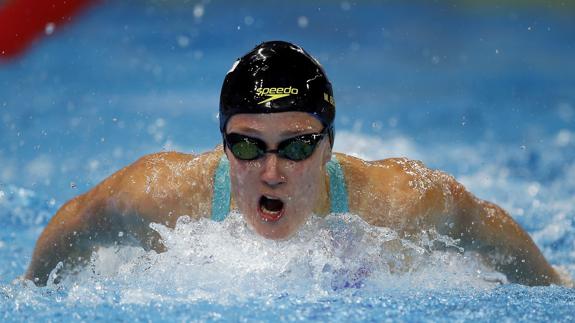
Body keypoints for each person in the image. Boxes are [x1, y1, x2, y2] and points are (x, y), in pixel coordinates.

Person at [25, 40, 569, 287]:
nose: (270, 171)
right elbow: (82, 216)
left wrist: (553, 285)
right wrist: (29, 291)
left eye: (296, 146)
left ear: (329, 147)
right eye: (246, 145)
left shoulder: (395, 200)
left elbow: (479, 222)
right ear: (221, 144)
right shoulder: (164, 192)